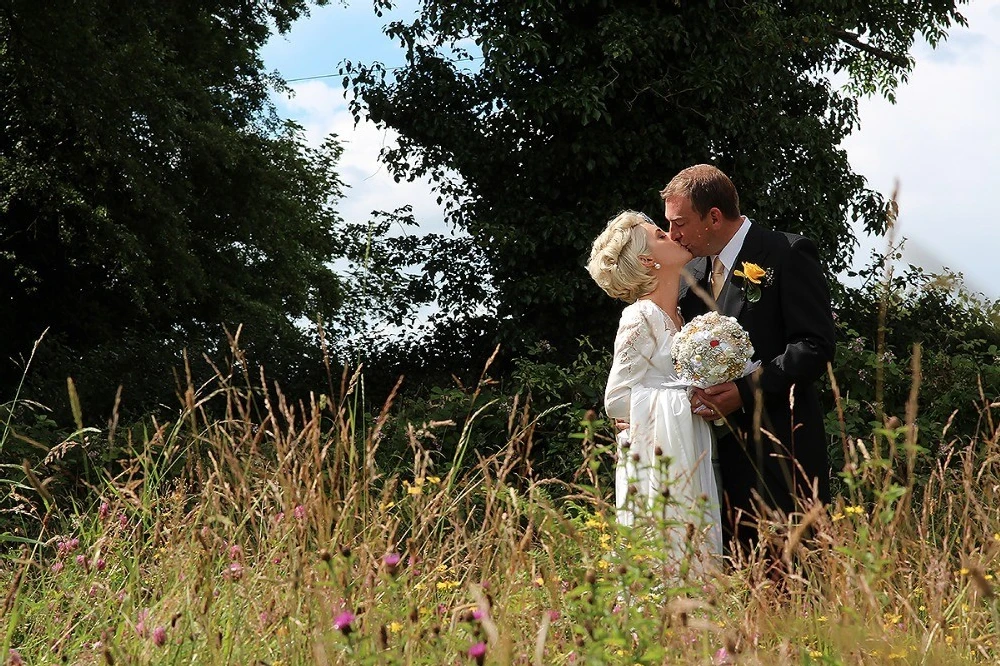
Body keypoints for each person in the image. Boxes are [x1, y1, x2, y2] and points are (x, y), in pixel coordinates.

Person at [662, 164, 836, 550]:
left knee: (794, 583)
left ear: (713, 217)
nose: (673, 235)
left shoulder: (786, 253)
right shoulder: (689, 274)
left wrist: (746, 390)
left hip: (781, 453)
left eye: (680, 223)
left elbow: (815, 345)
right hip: (711, 463)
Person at [587, 210, 723, 560]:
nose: (673, 235)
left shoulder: (681, 317)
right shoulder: (640, 316)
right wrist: (686, 398)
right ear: (649, 260)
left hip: (689, 446)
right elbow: (616, 400)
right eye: (662, 235)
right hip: (655, 462)